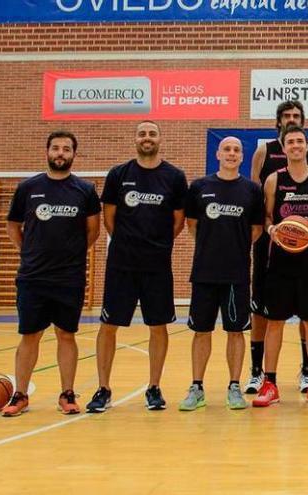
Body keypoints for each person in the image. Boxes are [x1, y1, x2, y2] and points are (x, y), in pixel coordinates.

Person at [87, 121, 187, 413]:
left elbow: (178, 221)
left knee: (158, 326)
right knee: (108, 326)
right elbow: (109, 218)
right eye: (142, 133)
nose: (147, 138)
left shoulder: (174, 176)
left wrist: (156, 244)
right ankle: (103, 388)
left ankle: (154, 387)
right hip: (122, 264)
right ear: (135, 139)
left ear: (159, 139)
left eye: (152, 133)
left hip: (157, 265)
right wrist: (128, 243)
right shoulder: (119, 174)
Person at [1, 131, 101, 417]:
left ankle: (67, 393)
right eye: (56, 148)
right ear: (47, 152)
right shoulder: (28, 187)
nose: (61, 153)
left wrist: (71, 255)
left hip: (69, 277)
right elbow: (13, 226)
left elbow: (92, 230)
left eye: (66, 149)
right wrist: (30, 252)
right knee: (29, 335)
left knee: (66, 335)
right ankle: (20, 395)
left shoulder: (84, 190)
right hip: (33, 276)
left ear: (73, 154)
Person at [253, 126, 308, 408]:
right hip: (280, 259)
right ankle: (270, 384)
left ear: (307, 146)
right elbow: (265, 218)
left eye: (300, 141)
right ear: (283, 147)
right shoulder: (273, 180)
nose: (295, 146)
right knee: (274, 322)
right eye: (290, 142)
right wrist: (273, 230)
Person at [178, 137, 264, 412]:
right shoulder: (199, 187)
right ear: (218, 154)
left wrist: (233, 248)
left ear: (242, 157)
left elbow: (256, 230)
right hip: (204, 272)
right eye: (226, 149)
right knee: (201, 331)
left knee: (235, 331)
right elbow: (192, 225)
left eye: (236, 150)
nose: (231, 153)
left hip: (236, 273)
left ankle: (235, 386)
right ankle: (197, 387)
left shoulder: (252, 190)